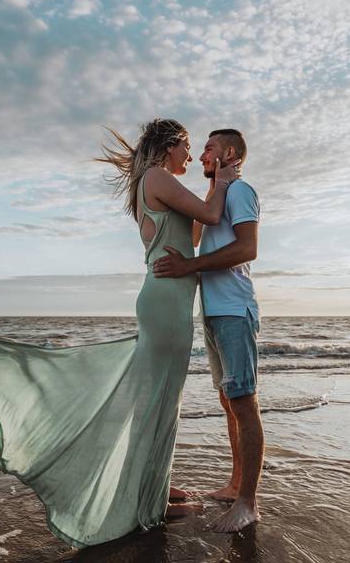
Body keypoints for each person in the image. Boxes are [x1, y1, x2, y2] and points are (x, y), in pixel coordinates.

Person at [0, 118, 239, 548]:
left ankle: (156, 488)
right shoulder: (157, 177)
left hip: (165, 302)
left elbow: (194, 232)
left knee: (159, 404)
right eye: (187, 147)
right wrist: (223, 179)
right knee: (159, 406)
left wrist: (212, 188)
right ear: (170, 146)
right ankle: (152, 505)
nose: (190, 156)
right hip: (167, 306)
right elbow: (210, 214)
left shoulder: (153, 183)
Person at [152, 128, 263, 533]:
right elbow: (199, 230)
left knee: (244, 403)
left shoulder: (240, 191)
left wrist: (189, 266)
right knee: (228, 402)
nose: (201, 156)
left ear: (229, 152)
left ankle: (249, 502)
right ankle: (235, 485)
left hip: (234, 310)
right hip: (214, 312)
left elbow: (247, 248)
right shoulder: (220, 193)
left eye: (209, 149)